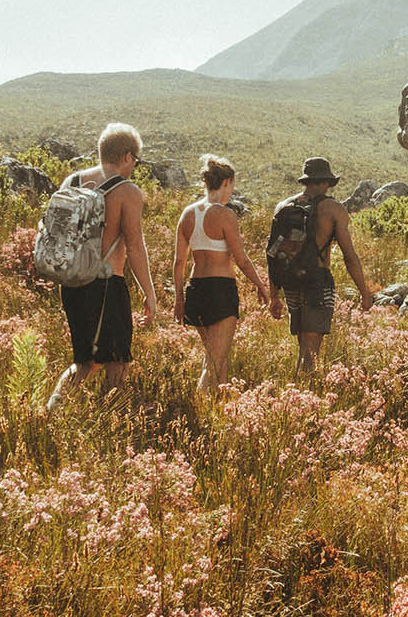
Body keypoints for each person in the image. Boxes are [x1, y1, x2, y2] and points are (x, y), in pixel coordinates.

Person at [47, 122, 161, 407]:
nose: (134, 166)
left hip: (72, 283)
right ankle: (111, 422)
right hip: (107, 284)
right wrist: (149, 292)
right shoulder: (127, 192)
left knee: (85, 361)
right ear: (127, 157)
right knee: (117, 362)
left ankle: (52, 410)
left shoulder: (70, 182)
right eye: (136, 160)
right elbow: (135, 247)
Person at [267, 157, 377, 375]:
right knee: (311, 350)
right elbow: (349, 256)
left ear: (306, 181)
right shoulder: (333, 209)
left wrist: (273, 295)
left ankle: (298, 390)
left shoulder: (284, 206)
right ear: (326, 182)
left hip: (290, 282)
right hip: (317, 281)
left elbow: (272, 253)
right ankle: (305, 396)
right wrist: (364, 291)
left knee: (302, 346)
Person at [172, 154, 269, 395]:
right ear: (226, 182)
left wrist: (179, 299)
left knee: (216, 357)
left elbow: (179, 262)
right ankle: (200, 410)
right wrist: (261, 286)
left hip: (196, 289)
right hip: (221, 290)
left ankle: (218, 408)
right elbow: (242, 260)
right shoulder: (225, 215)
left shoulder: (187, 214)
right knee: (214, 361)